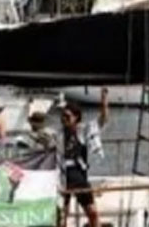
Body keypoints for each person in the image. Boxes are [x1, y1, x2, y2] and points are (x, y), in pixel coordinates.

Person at [60, 89, 108, 227]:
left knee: (92, 212)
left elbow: (102, 120)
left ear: (76, 117)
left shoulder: (83, 130)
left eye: (67, 116)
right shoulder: (59, 134)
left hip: (79, 177)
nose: (64, 119)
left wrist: (104, 99)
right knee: (62, 215)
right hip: (62, 177)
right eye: (62, 116)